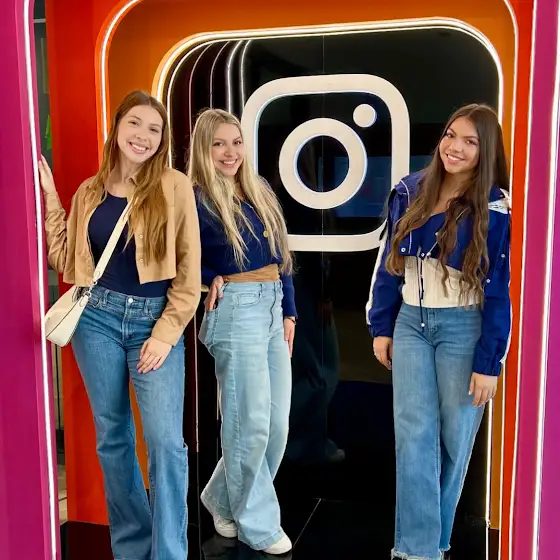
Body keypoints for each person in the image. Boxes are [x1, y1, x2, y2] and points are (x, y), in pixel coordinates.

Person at [39, 90, 201, 560]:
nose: (143, 136)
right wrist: (52, 199)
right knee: (112, 436)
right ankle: (131, 546)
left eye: (154, 129)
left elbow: (189, 270)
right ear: (117, 128)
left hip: (154, 321)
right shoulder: (90, 190)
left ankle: (168, 552)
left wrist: (166, 334)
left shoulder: (173, 185)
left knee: (165, 443)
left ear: (162, 140)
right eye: (135, 123)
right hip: (97, 320)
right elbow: (66, 259)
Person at [366, 104, 511, 560]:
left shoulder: (494, 205)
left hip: (464, 326)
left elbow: (499, 287)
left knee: (454, 438)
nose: (456, 147)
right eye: (451, 135)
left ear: (486, 151)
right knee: (414, 435)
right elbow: (387, 264)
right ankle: (417, 550)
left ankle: (435, 539)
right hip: (411, 321)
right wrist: (381, 325)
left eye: (471, 141)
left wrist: (490, 361)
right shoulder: (409, 190)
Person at [189, 108, 296, 555]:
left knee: (274, 423)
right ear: (203, 149)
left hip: (272, 304)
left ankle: (220, 498)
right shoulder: (193, 198)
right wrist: (206, 278)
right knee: (247, 422)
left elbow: (281, 253)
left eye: (236, 142)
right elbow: (175, 255)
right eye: (218, 144)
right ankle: (258, 524)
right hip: (236, 309)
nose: (229, 152)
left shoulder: (259, 188)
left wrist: (289, 311)